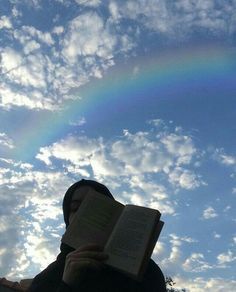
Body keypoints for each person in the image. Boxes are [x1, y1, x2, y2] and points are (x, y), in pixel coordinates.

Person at [28, 179, 166, 291]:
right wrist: (67, 285)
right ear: (67, 220)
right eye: (75, 208)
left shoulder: (147, 271)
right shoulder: (46, 278)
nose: (84, 213)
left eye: (96, 207)